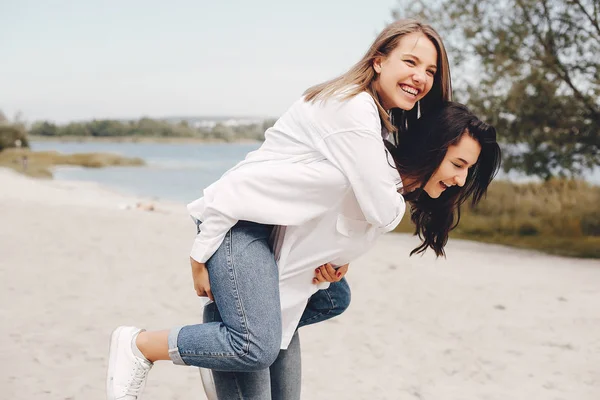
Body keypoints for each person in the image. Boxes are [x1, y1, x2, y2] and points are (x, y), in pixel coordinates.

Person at [107, 18, 455, 400]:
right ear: (378, 61)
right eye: (410, 62)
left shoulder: (375, 123)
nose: (420, 76)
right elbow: (382, 211)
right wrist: (200, 252)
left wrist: (338, 254)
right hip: (238, 222)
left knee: (332, 296)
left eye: (430, 70)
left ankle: (223, 341)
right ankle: (141, 345)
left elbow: (331, 200)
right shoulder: (353, 111)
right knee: (254, 346)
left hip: (267, 226)